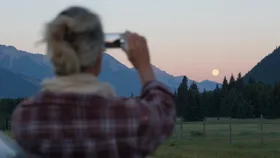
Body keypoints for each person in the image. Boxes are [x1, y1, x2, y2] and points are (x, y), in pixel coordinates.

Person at [11, 6, 175, 158]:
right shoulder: (126, 117)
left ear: (55, 54)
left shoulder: (26, 118)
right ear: (98, 56)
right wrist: (144, 66)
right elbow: (163, 113)